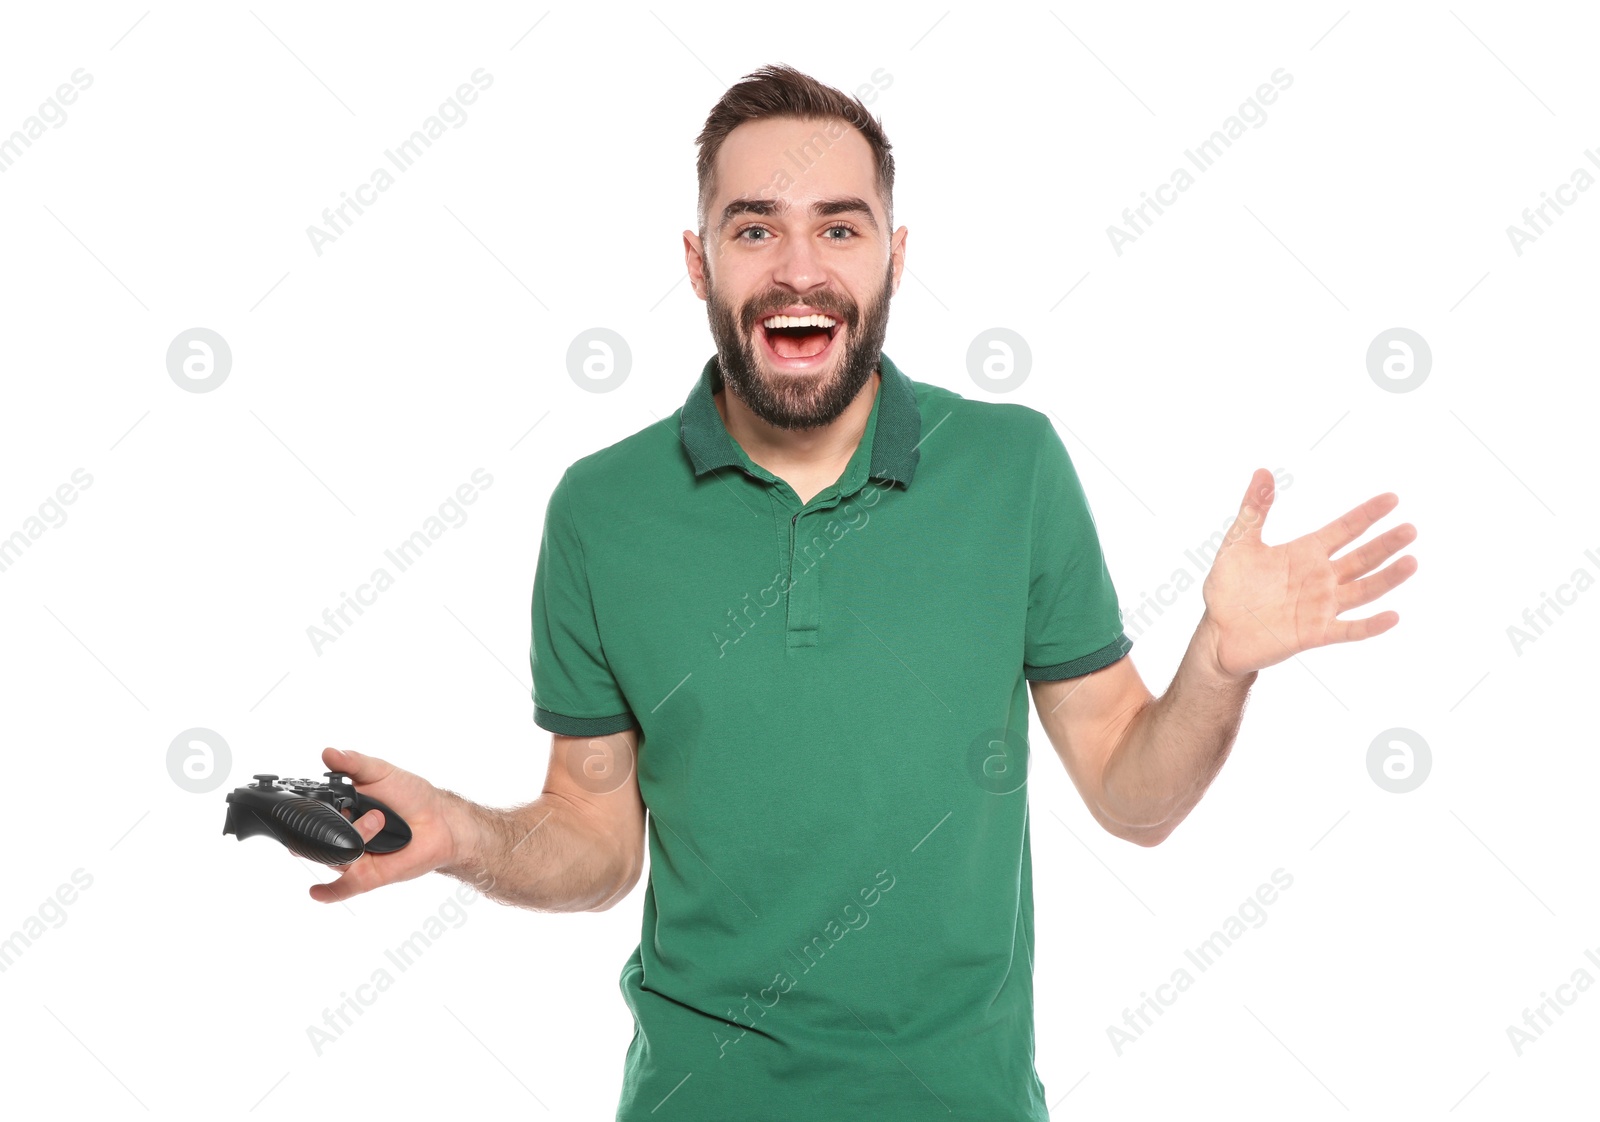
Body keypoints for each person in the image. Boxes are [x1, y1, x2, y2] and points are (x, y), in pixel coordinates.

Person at [308, 63, 1418, 1120]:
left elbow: (1134, 796)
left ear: (894, 253)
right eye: (756, 230)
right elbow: (595, 842)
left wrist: (1216, 665)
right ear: (698, 262)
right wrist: (459, 833)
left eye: (839, 227)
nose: (799, 268)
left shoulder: (1012, 467)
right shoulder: (600, 511)